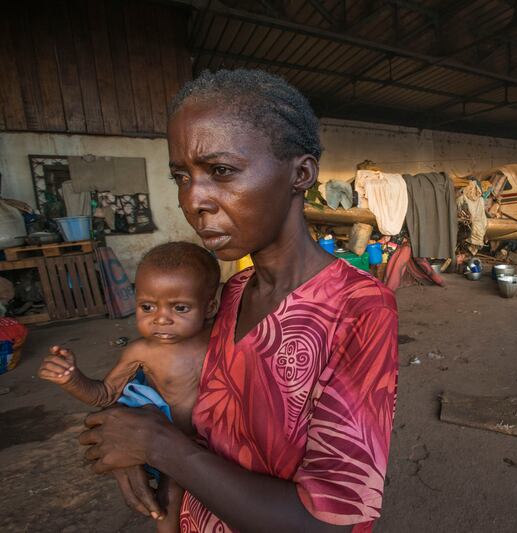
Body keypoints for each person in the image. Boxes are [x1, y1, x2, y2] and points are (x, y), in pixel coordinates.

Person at [77, 69, 399, 533]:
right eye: (181, 176)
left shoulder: (360, 308)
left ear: (300, 173)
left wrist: (160, 447)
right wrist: (135, 434)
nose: (194, 201)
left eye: (221, 171)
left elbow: (330, 524)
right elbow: (177, 398)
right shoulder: (228, 294)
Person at [38, 241, 220, 532]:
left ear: (209, 306)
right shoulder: (141, 352)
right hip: (171, 444)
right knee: (170, 496)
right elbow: (104, 393)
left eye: (180, 307)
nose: (160, 318)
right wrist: (71, 378)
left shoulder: (220, 337)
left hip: (221, 441)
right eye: (147, 306)